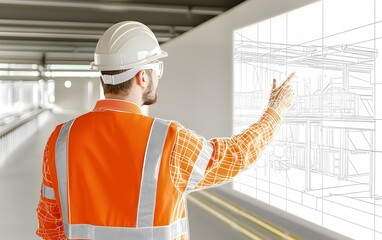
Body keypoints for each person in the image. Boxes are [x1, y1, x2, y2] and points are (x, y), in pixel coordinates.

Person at [36, 21, 294, 240]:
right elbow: (235, 155)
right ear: (142, 77)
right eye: (156, 68)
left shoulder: (61, 139)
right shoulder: (169, 140)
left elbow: (50, 223)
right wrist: (274, 112)